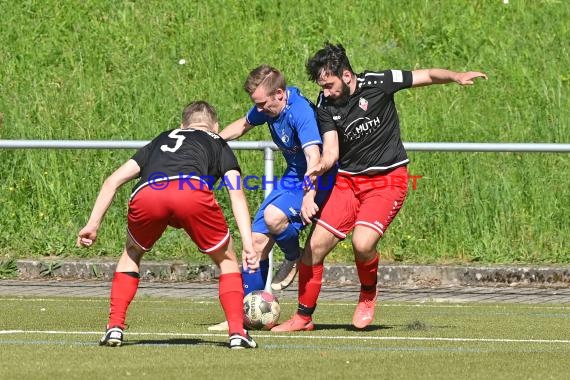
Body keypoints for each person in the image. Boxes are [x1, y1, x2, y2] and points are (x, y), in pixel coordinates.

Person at [272, 43, 488, 332]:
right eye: (322, 86)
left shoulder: (379, 82)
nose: (325, 92)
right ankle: (303, 317)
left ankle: (367, 294)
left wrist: (455, 75)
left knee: (363, 243)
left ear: (346, 75)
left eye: (329, 84)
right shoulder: (325, 105)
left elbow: (424, 75)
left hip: (388, 180)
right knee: (312, 250)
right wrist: (320, 167)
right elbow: (332, 151)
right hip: (348, 183)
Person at [77, 101, 259, 349]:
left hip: (149, 192)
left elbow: (112, 181)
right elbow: (236, 193)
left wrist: (92, 224)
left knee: (131, 253)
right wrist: (248, 244)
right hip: (190, 191)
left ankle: (114, 328)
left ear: (182, 125)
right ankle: (237, 332)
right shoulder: (218, 141)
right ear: (215, 126)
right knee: (227, 261)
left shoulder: (162, 138)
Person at [208, 64, 336, 331]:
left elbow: (315, 158)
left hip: (318, 178)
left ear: (279, 94)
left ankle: (293, 257)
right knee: (253, 245)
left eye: (263, 103)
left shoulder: (300, 111)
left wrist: (308, 196)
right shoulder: (267, 106)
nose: (260, 109)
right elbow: (243, 125)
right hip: (293, 177)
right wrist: (208, 141)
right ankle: (242, 317)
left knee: (274, 217)